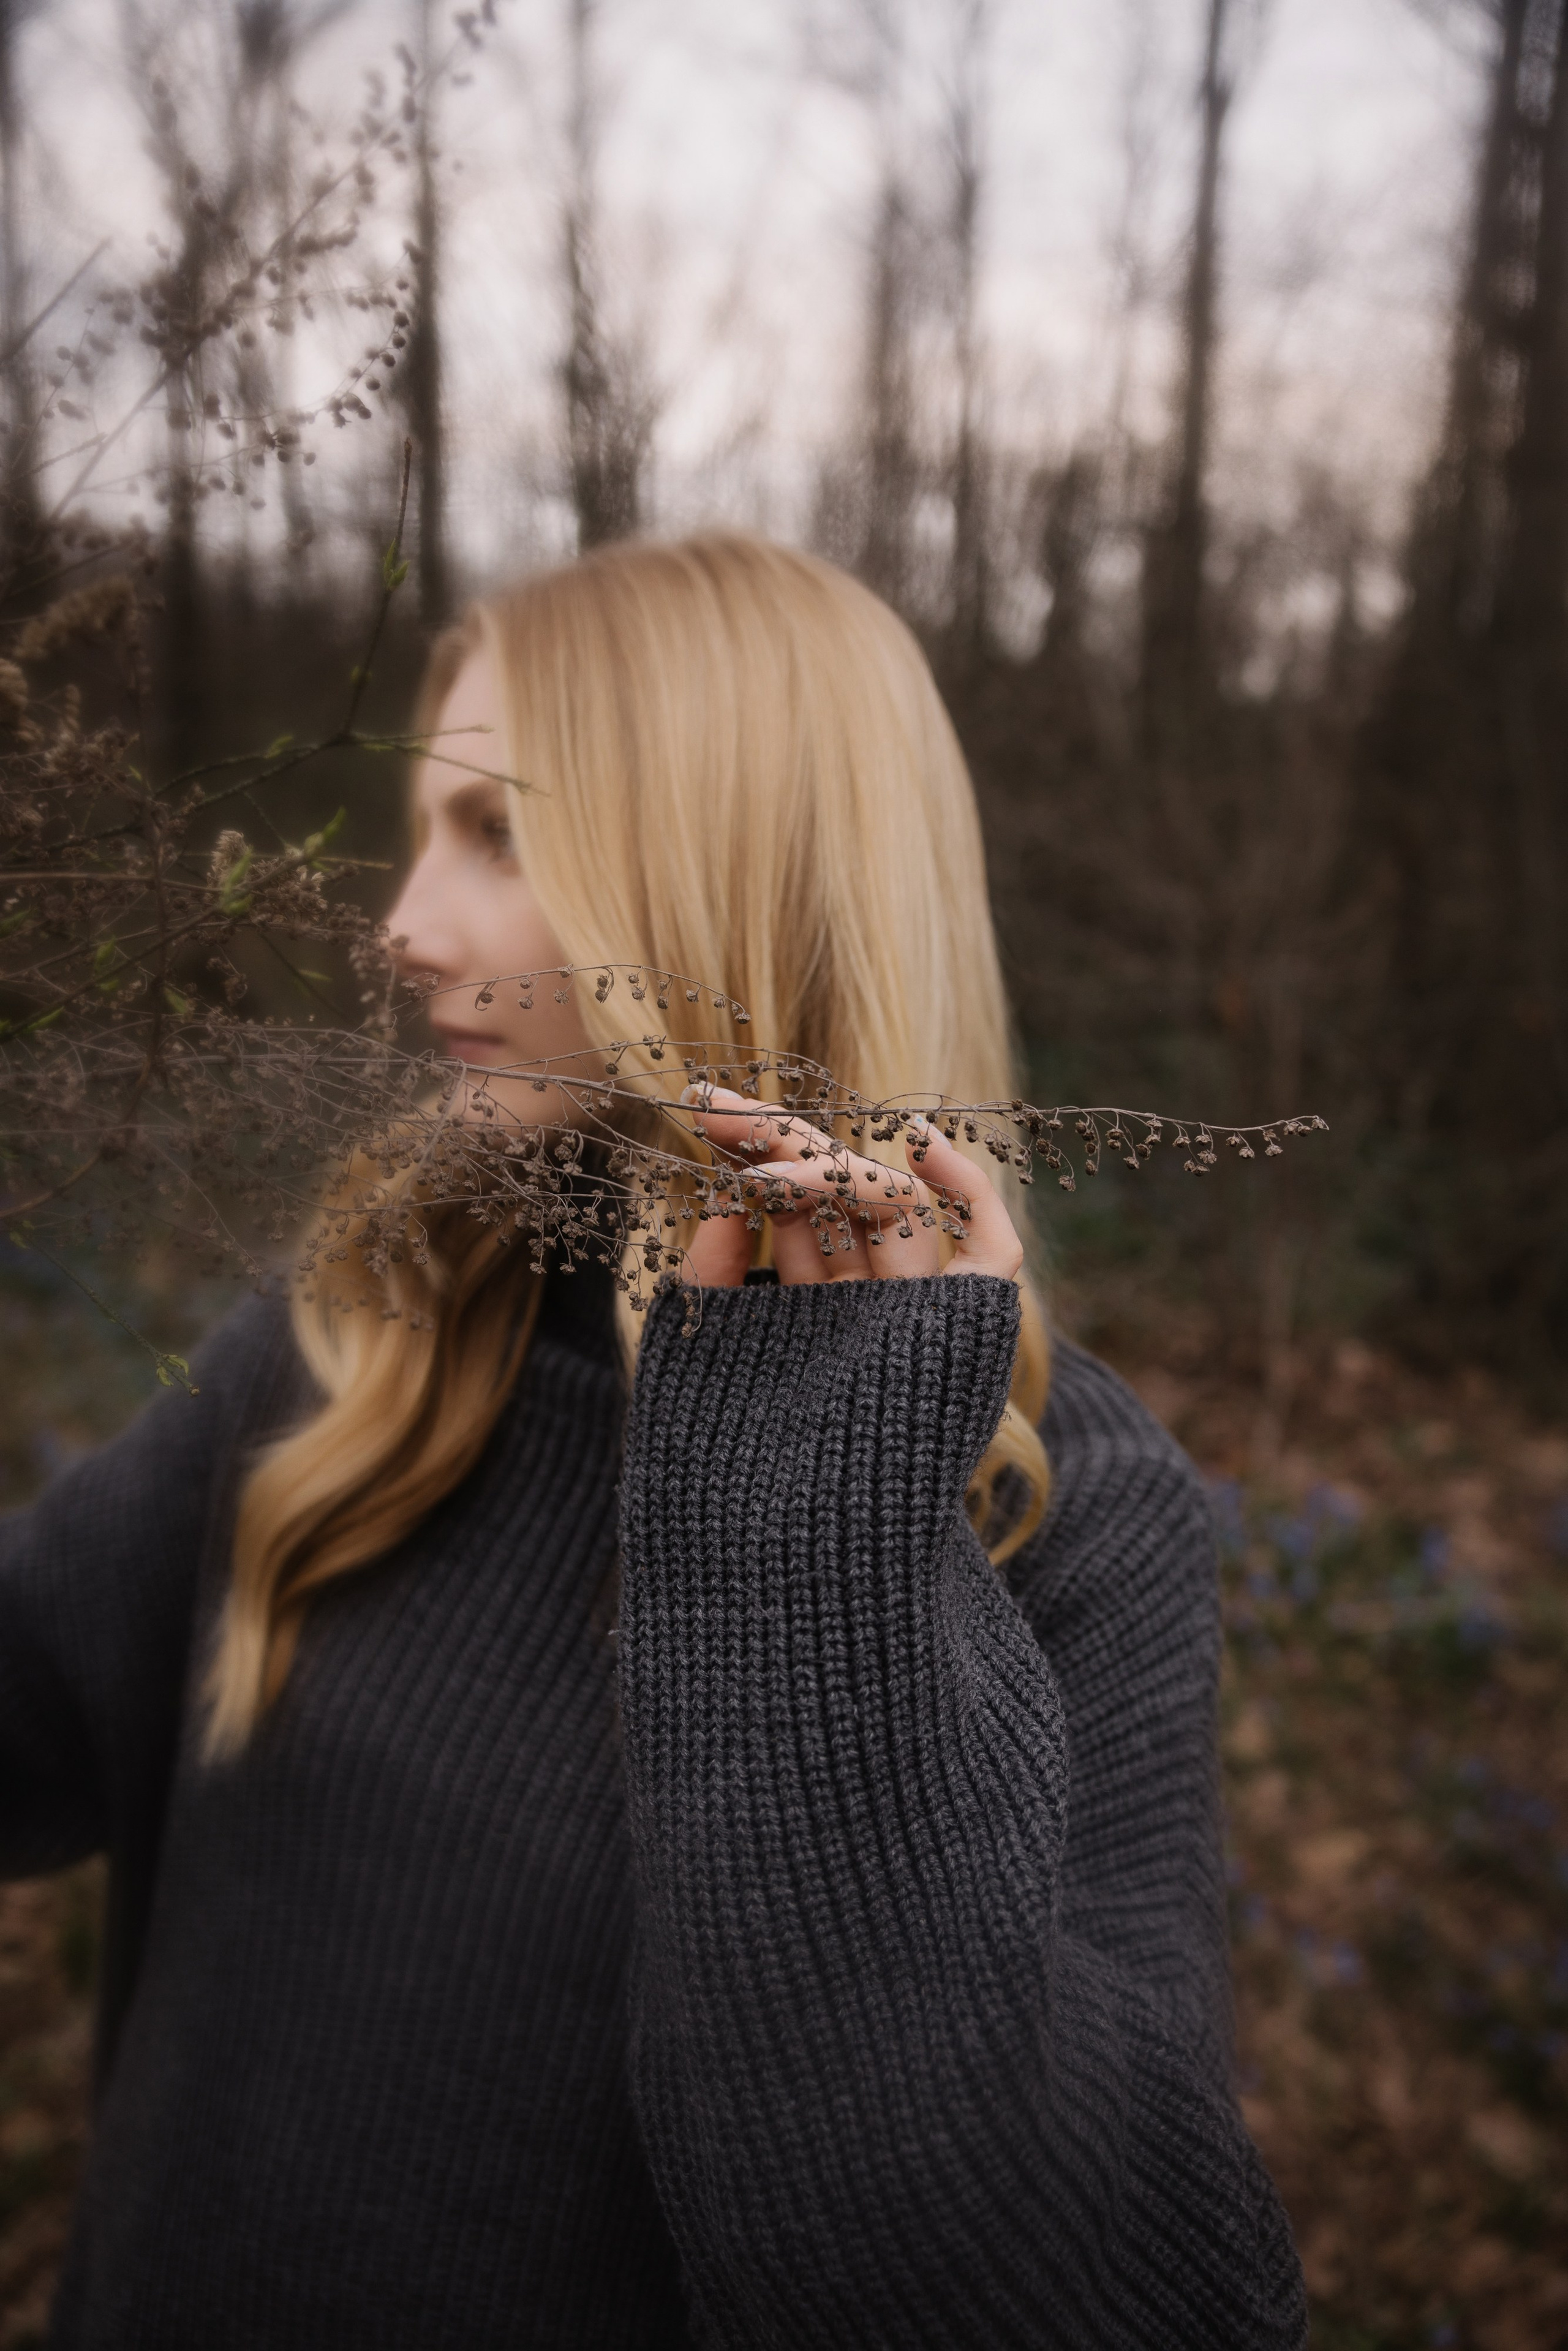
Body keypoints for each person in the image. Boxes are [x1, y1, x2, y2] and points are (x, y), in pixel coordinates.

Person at [1, 533, 1306, 2349]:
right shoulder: (362, 1331)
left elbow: (1083, 2300)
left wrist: (823, 1532)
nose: (400, 926)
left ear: (722, 887)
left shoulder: (1066, 1519)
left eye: (500, 837)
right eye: (422, 831)